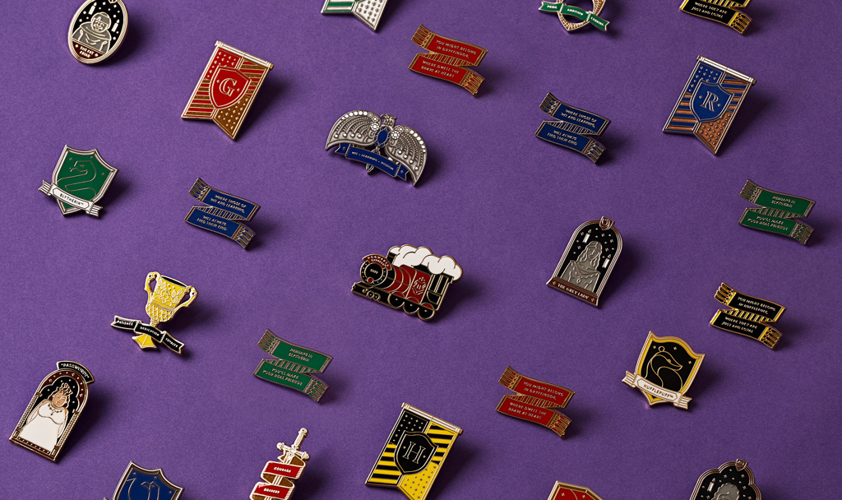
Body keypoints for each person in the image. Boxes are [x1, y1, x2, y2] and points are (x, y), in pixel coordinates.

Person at [18, 383, 71, 452]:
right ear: (53, 396)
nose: (59, 400)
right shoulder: (45, 403)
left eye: (63, 399)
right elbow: (30, 417)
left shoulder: (65, 412)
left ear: (66, 402)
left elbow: (60, 431)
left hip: (48, 441)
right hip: (30, 432)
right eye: (57, 396)